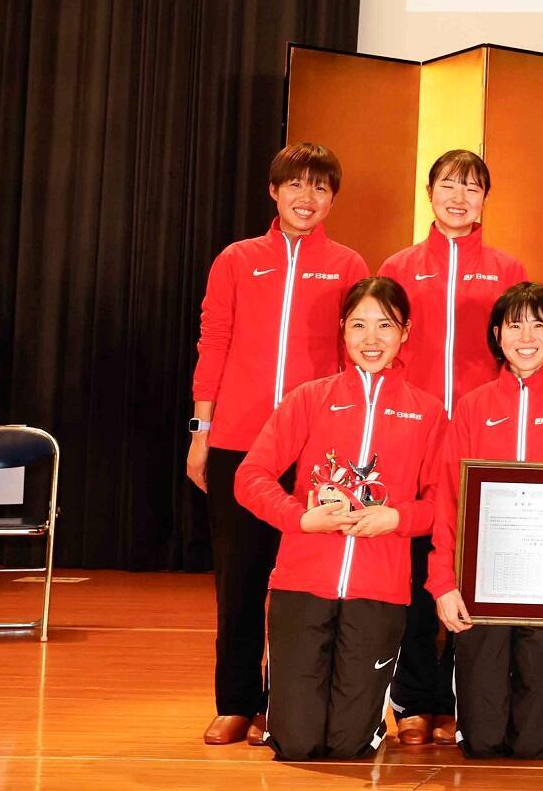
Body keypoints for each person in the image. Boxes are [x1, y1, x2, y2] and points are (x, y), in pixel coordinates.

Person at [187, 141, 367, 746]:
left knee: (299, 585)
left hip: (315, 450)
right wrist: (200, 433)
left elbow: (357, 354)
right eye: (296, 185)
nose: (306, 198)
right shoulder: (237, 259)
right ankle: (236, 700)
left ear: (332, 199)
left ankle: (284, 700)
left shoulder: (347, 264)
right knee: (239, 578)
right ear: (273, 191)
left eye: (320, 188)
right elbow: (213, 344)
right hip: (239, 442)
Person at [235, 276, 445, 761]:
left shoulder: (428, 412)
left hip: (379, 591)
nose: (371, 339)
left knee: (349, 745)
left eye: (385, 326)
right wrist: (298, 517)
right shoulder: (309, 398)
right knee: (299, 743)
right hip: (302, 585)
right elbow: (251, 477)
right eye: (359, 325)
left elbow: (440, 505)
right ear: (343, 331)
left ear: (405, 332)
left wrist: (395, 517)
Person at [377, 148, 528, 745]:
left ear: (486, 199)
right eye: (448, 185)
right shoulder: (398, 265)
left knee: (472, 570)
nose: (459, 197)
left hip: (481, 438)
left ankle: (464, 695)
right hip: (411, 436)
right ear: (429, 192)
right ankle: (417, 696)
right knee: (415, 572)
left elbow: (522, 350)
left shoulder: (508, 267)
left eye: (471, 187)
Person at [427, 282, 543, 759]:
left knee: (532, 745)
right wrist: (444, 582)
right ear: (497, 335)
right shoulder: (472, 407)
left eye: (539, 324)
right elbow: (448, 498)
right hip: (481, 591)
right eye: (515, 324)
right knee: (482, 743)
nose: (527, 336)